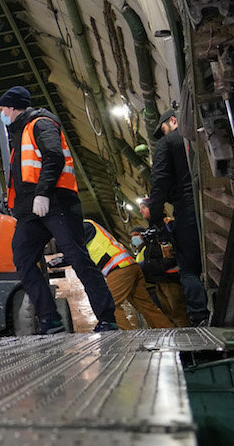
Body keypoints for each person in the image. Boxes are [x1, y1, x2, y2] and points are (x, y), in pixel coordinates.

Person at [0, 85, 119, 333]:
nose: (2, 115)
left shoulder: (41, 123)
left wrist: (42, 193)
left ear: (11, 107)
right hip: (30, 212)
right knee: (23, 259)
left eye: (2, 110)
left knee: (78, 259)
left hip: (57, 202)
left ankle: (107, 319)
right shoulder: (19, 135)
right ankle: (50, 320)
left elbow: (54, 156)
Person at [147, 109, 210, 325]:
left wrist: (154, 215)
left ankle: (200, 317)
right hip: (217, 199)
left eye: (163, 128)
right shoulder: (204, 134)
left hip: (187, 206)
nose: (163, 134)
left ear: (173, 120)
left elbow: (160, 180)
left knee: (189, 268)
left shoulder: (168, 143)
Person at [81, 221, 173, 329]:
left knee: (109, 305)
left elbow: (74, 246)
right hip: (130, 266)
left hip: (118, 269)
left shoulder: (83, 226)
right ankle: (167, 330)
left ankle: (125, 339)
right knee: (146, 305)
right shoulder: (90, 226)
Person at [132, 225, 191, 327]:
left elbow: (163, 262)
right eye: (132, 236)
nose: (134, 238)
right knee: (168, 314)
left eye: (136, 235)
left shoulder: (152, 247)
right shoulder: (142, 252)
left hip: (162, 283)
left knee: (176, 312)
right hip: (156, 285)